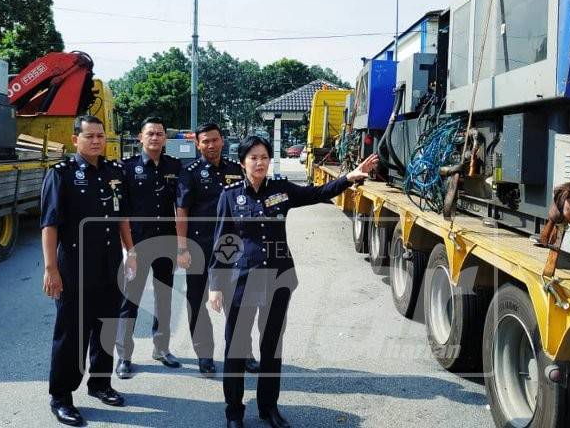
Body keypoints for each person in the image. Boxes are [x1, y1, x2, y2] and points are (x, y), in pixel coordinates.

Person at [208, 136, 377, 428]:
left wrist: (349, 178)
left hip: (277, 279)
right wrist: (214, 284)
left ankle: (268, 408)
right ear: (242, 162)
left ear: (269, 160)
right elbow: (223, 241)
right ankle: (234, 411)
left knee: (271, 346)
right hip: (242, 281)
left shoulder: (281, 190)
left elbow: (317, 192)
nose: (259, 163)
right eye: (253, 158)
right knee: (235, 348)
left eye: (264, 157)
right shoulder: (230, 195)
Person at [41, 115, 135, 426]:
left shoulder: (114, 172)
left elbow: (122, 214)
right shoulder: (62, 174)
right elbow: (50, 224)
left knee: (106, 325)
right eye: (89, 136)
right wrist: (50, 269)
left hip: (110, 264)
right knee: (72, 332)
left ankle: (100, 383)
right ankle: (61, 396)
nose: (96, 141)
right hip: (75, 265)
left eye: (100, 135)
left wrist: (130, 251)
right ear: (75, 140)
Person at [176, 122, 259, 376]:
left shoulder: (236, 169)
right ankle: (204, 355)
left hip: (231, 249)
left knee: (238, 302)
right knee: (197, 302)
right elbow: (181, 210)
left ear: (222, 141)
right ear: (198, 144)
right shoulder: (189, 172)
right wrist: (182, 248)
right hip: (199, 248)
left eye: (215, 140)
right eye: (205, 141)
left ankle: (243, 352)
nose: (211, 145)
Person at [115, 116, 184, 378]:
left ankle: (161, 348)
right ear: (140, 137)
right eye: (150, 133)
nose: (155, 138)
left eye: (159, 133)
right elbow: (120, 211)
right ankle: (124, 355)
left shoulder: (175, 167)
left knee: (164, 297)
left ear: (165, 138)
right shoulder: (127, 168)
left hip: (166, 242)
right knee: (129, 299)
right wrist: (128, 249)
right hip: (138, 243)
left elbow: (181, 207)